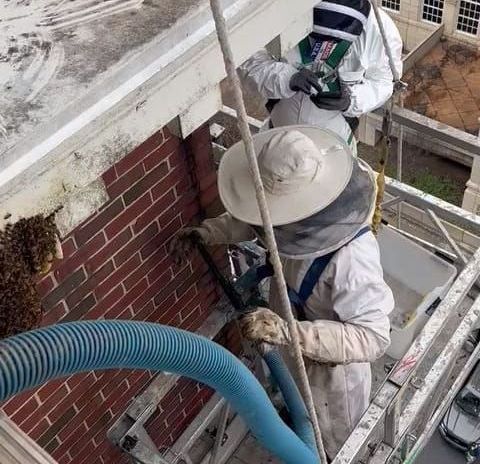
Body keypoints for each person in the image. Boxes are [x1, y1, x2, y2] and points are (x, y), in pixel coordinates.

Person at [171, 126, 394, 459]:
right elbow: (255, 219)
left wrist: (289, 332)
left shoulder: (352, 258)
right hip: (289, 339)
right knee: (295, 406)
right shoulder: (287, 214)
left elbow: (373, 337)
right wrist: (208, 232)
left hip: (328, 372)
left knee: (330, 441)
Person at [239, 0, 403, 153]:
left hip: (334, 151)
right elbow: (249, 60)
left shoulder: (380, 32)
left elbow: (382, 82)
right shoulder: (277, 10)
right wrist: (286, 79)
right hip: (276, 145)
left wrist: (352, 100)